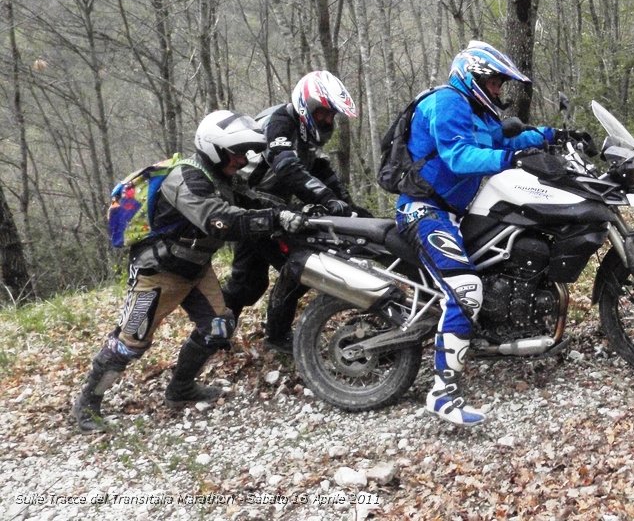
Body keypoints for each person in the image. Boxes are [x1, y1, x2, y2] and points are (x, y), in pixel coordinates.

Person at [71, 110, 309, 434]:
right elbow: (218, 221)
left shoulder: (223, 178)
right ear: (215, 148)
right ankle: (87, 406)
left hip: (196, 269)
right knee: (129, 343)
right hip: (158, 273)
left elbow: (252, 200)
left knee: (219, 327)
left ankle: (180, 388)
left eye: (245, 153)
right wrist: (273, 220)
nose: (243, 160)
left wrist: (289, 211)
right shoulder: (184, 178)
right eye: (237, 153)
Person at [396, 40, 577, 426]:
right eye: (494, 82)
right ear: (473, 76)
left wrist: (552, 136)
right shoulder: (446, 103)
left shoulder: (475, 109)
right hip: (424, 212)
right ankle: (442, 393)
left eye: (499, 83)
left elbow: (506, 140)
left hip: (454, 213)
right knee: (465, 290)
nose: (498, 90)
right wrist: (512, 159)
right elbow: (459, 157)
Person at [222, 70, 365, 354]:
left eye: (331, 115)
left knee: (248, 283)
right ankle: (241, 336)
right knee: (293, 268)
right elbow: (285, 165)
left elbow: (323, 172)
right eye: (323, 112)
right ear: (307, 105)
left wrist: (352, 210)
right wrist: (326, 198)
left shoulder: (306, 135)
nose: (327, 119)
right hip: (250, 207)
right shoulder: (281, 122)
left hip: (271, 208)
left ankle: (221, 333)